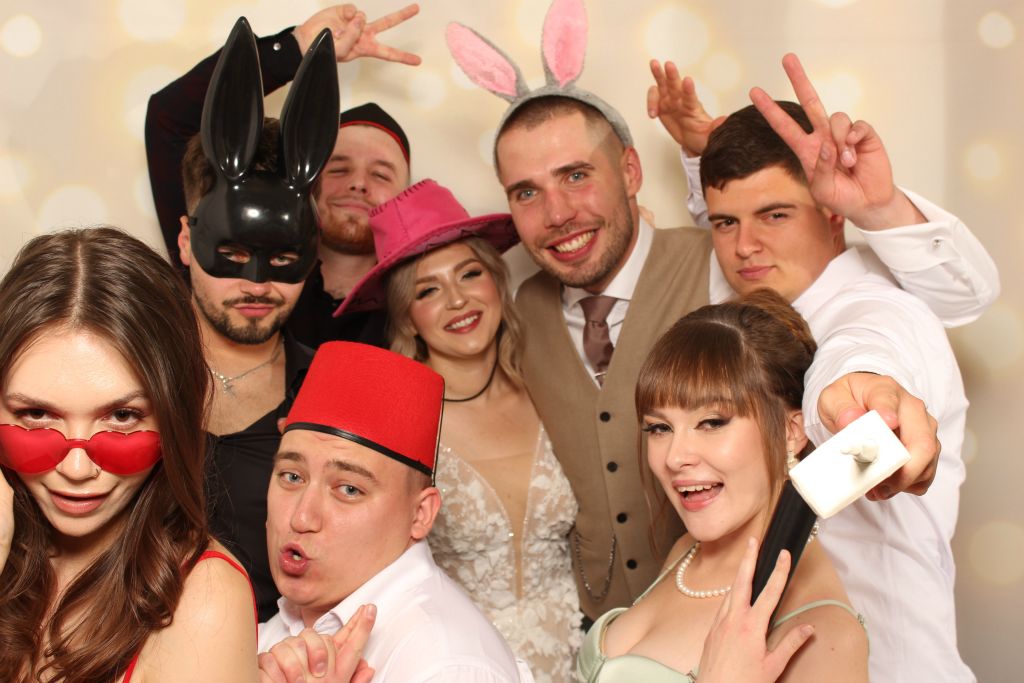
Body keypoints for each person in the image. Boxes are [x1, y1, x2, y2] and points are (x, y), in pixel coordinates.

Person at [449, 0, 952, 620]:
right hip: (612, 627)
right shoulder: (520, 311)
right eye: (527, 191)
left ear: (630, 171)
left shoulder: (734, 281)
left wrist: (860, 403)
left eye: (577, 175)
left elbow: (862, 337)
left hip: (809, 624)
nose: (556, 213)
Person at [650, 53, 978, 681]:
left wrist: (854, 403)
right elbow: (737, 220)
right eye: (724, 223)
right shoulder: (753, 291)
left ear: (832, 212)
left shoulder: (881, 310)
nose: (744, 246)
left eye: (775, 215)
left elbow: (859, 355)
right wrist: (701, 153)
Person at [335, 179, 583, 681]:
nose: (457, 300)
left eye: (470, 274)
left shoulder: (549, 385)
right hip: (456, 665)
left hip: (575, 660)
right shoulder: (389, 423)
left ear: (497, 282)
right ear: (408, 317)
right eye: (428, 290)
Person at [0, 227, 255, 682]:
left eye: (122, 416)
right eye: (36, 414)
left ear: (175, 415)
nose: (77, 469)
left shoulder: (204, 602)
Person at [577, 289, 869, 682]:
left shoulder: (822, 635)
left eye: (712, 422)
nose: (674, 457)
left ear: (791, 430)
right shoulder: (688, 552)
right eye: (659, 428)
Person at [174, 16, 338, 621]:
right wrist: (290, 47)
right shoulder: (123, 376)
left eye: (285, 261)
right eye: (233, 254)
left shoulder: (332, 392)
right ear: (186, 241)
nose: (257, 284)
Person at [146, 3, 421, 349]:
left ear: (404, 195)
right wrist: (295, 48)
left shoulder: (423, 308)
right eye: (339, 168)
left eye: (381, 174)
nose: (358, 183)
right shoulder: (221, 277)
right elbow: (170, 121)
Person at [258, 341, 532, 683]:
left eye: (349, 490)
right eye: (292, 477)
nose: (301, 519)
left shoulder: (448, 666)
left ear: (420, 515)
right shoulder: (286, 620)